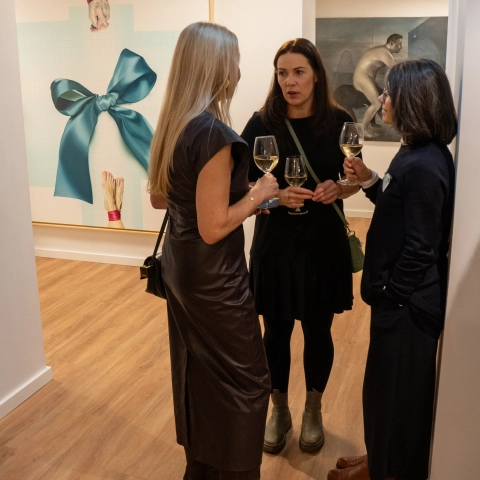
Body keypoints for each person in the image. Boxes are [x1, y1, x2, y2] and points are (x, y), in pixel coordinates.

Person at [148, 22, 279, 480]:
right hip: (214, 277)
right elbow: (213, 227)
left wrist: (233, 197)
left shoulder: (175, 125)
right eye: (235, 62)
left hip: (181, 268)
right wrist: (257, 195)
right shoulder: (212, 134)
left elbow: (161, 197)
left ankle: (202, 467)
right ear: (219, 68)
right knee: (249, 381)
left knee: (199, 372)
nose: (239, 72)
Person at [328, 58, 457, 480]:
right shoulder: (417, 153)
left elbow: (421, 246)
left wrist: (391, 295)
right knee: (386, 394)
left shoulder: (424, 164)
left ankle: (386, 470)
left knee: (397, 402)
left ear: (412, 100)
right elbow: (398, 211)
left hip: (408, 308)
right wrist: (369, 179)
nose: (382, 98)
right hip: (404, 305)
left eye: (389, 92)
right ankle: (377, 460)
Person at [241, 38, 359, 454]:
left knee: (317, 330)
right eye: (282, 73)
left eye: (298, 72)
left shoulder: (340, 120)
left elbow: (352, 180)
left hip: (322, 244)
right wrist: (273, 198)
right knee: (275, 332)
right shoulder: (262, 123)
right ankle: (279, 411)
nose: (289, 82)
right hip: (275, 245)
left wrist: (338, 189)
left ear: (316, 75)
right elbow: (242, 187)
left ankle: (312, 410)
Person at [353, 34, 402, 138]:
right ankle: (363, 129)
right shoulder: (384, 52)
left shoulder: (384, 51)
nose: (401, 47)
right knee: (376, 103)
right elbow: (396, 69)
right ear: (391, 43)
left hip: (367, 79)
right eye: (399, 44)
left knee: (382, 99)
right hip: (362, 78)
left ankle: (392, 124)